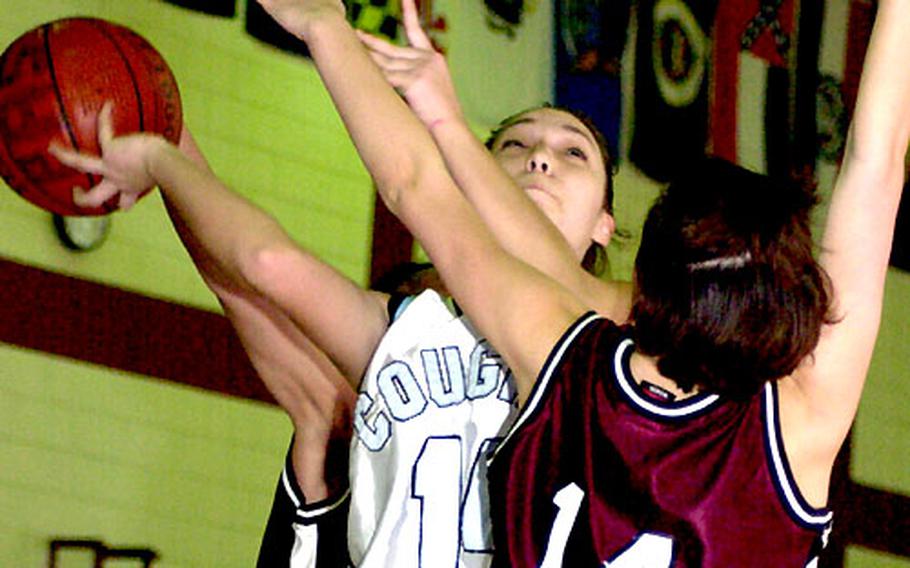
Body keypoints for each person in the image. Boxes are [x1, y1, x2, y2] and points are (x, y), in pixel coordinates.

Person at [250, 0, 910, 565]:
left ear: (644, 279)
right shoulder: (800, 425)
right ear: (794, 300)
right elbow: (876, 164)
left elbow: (416, 190)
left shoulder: (576, 356)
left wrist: (330, 33)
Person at [50, 2, 631, 566]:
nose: (538, 161)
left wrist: (163, 156)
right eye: (516, 144)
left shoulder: (633, 337)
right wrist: (163, 139)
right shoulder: (406, 328)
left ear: (606, 224)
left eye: (572, 152)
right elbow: (258, 272)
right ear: (473, 176)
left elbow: (380, 198)